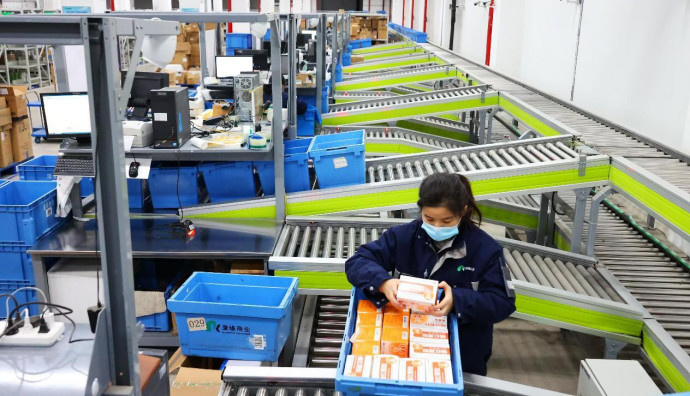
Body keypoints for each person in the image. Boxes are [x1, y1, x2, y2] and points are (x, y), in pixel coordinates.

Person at [345, 173, 516, 376]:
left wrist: (458, 299)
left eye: (446, 221)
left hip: (461, 355)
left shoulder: (485, 250)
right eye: (429, 218)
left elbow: (503, 302)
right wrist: (383, 282)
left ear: (463, 210)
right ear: (421, 210)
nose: (436, 227)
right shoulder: (402, 238)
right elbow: (358, 261)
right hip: (404, 348)